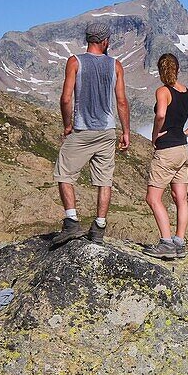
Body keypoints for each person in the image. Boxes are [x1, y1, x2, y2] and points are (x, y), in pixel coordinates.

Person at [50, 21, 130, 247]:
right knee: (104, 180)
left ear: (88, 39)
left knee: (64, 173)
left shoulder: (75, 62)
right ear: (105, 41)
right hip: (106, 130)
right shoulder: (116, 65)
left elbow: (66, 98)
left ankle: (72, 221)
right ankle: (99, 226)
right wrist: (126, 132)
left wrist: (67, 125)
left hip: (82, 129)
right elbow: (122, 101)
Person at [143, 53, 188, 258]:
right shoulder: (186, 92)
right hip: (183, 149)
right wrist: (186, 132)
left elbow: (161, 114)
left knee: (153, 198)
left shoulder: (163, 91)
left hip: (167, 151)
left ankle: (166, 242)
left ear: (160, 70)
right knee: (180, 198)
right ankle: (179, 242)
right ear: (177, 69)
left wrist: (155, 135)